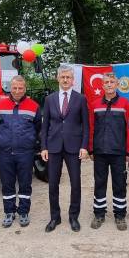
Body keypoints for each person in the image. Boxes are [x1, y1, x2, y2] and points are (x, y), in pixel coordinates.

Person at [41, 65, 90, 232]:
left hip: (74, 148)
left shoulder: (81, 99)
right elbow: (45, 125)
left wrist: (84, 146)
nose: (65, 80)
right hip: (53, 147)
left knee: (75, 183)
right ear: (58, 78)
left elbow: (86, 125)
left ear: (73, 80)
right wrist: (44, 147)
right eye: (62, 77)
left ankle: (73, 216)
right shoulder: (50, 99)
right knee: (53, 184)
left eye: (68, 77)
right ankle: (55, 217)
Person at [88, 72, 129, 231]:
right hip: (100, 152)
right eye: (106, 82)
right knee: (99, 183)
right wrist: (91, 149)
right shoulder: (94, 105)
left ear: (116, 84)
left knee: (119, 184)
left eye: (112, 82)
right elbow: (91, 128)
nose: (109, 84)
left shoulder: (125, 104)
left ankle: (120, 215)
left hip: (119, 152)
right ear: (102, 85)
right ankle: (99, 214)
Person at [0, 75, 42, 228]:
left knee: (25, 183)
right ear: (10, 88)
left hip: (25, 153)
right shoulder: (0, 105)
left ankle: (23, 211)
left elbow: (38, 129)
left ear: (25, 89)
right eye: (14, 87)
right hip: (5, 152)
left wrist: (32, 145)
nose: (17, 90)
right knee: (7, 183)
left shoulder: (34, 106)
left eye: (20, 88)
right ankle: (9, 212)